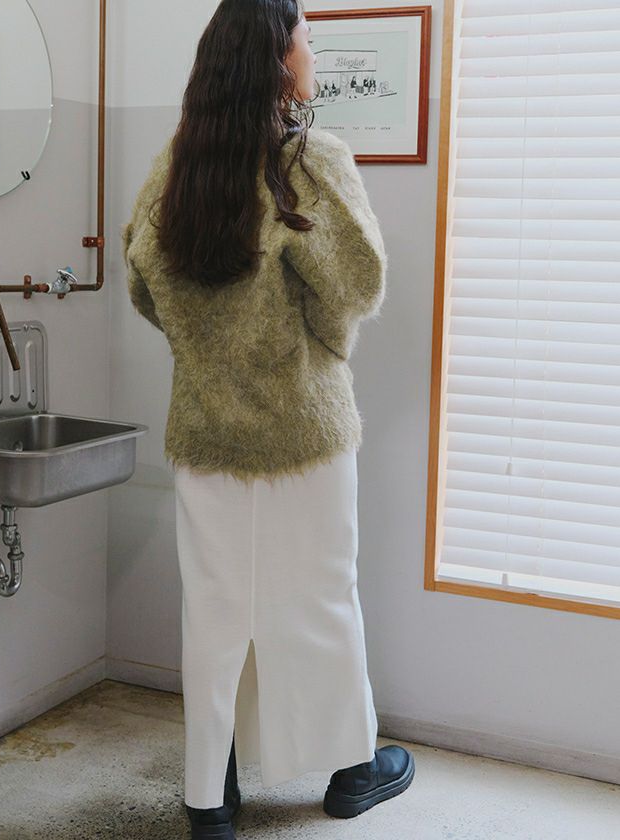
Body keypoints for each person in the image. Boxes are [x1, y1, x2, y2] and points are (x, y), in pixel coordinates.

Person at [122, 2, 415, 838]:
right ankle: (352, 770)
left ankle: (210, 800)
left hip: (205, 429)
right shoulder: (309, 161)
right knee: (321, 599)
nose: (314, 51)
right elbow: (358, 283)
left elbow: (143, 284)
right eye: (307, 38)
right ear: (280, 59)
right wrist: (322, 342)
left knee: (215, 614)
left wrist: (206, 348)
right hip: (304, 429)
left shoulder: (176, 167)